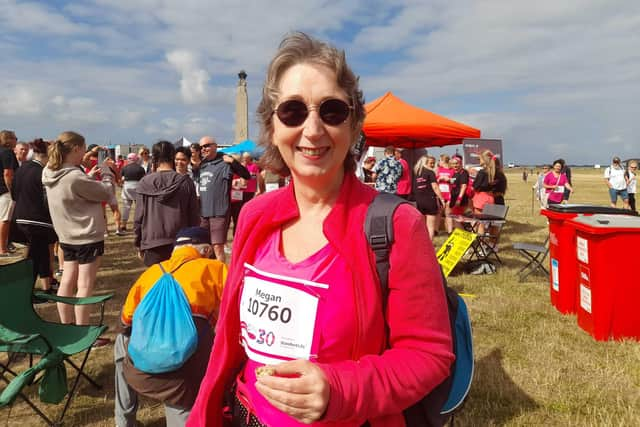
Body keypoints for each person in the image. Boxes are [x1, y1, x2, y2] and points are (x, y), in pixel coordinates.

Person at [187, 31, 453, 427]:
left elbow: (429, 354)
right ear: (273, 127)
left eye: (331, 111)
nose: (312, 130)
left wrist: (340, 389)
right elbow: (231, 341)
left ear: (355, 124)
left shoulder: (397, 224)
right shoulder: (255, 216)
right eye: (293, 112)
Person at [115, 227, 227, 427]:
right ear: (206, 250)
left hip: (139, 371)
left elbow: (126, 321)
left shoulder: (152, 272)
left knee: (121, 342)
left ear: (175, 250)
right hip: (182, 377)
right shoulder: (216, 270)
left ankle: (123, 421)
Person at [42, 131, 112, 327]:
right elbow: (105, 192)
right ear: (75, 149)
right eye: (83, 148)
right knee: (84, 286)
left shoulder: (49, 172)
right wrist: (106, 173)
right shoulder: (74, 176)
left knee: (66, 281)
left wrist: (88, 177)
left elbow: (72, 191)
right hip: (87, 236)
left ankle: (67, 324)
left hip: (66, 236)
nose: (84, 152)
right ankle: (82, 329)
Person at [134, 141, 200, 267]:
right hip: (181, 242)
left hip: (152, 242)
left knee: (156, 284)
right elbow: (194, 216)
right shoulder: (186, 182)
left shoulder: (144, 182)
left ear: (155, 158)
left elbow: (139, 217)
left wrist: (138, 243)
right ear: (172, 157)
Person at [11, 138, 58, 292]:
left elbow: (14, 194)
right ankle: (38, 289)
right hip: (38, 220)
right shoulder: (43, 172)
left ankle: (41, 287)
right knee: (40, 256)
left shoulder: (22, 169)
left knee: (34, 255)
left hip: (20, 217)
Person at [198, 136, 250, 263]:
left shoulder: (225, 162)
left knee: (218, 247)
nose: (203, 149)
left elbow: (246, 175)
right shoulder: (202, 164)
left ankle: (221, 277)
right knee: (204, 246)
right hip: (203, 213)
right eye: (201, 147)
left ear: (215, 146)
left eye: (206, 145)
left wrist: (233, 162)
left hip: (219, 211)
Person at [413, 155, 445, 240]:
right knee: (430, 226)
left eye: (433, 163)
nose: (433, 165)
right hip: (429, 200)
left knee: (423, 226)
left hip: (419, 201)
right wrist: (442, 199)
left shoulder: (417, 173)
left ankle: (423, 243)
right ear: (425, 162)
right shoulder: (430, 172)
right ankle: (430, 245)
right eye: (431, 163)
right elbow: (435, 187)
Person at [0, 130, 18, 257]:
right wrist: (12, 191)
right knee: (5, 220)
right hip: (5, 191)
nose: (16, 141)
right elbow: (8, 173)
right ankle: (2, 249)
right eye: (15, 138)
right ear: (9, 140)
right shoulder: (7, 153)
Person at [120, 153, 146, 233]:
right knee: (139, 208)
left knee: (126, 207)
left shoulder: (124, 168)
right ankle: (139, 225)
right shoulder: (140, 168)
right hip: (137, 187)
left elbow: (122, 178)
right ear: (136, 159)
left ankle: (123, 225)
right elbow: (143, 179)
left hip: (127, 187)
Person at [472, 150, 496, 214]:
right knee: (486, 221)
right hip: (490, 198)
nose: (479, 160)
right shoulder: (494, 172)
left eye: (479, 159)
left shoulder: (482, 172)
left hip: (481, 198)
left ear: (484, 159)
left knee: (479, 221)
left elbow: (475, 186)